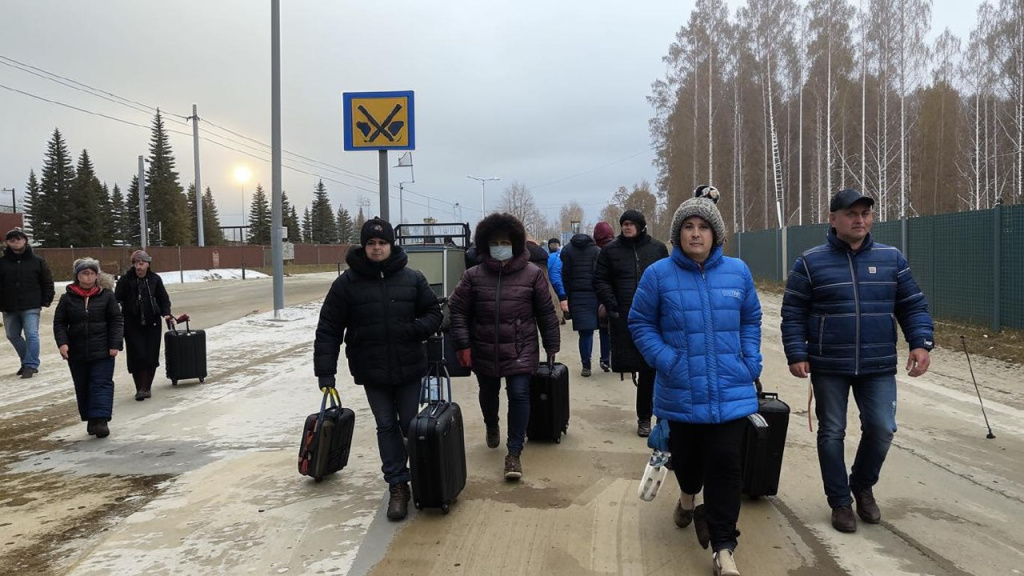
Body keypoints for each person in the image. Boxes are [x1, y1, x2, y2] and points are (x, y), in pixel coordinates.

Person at [782, 188, 934, 534]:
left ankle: (862, 486)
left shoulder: (892, 258)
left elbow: (912, 305)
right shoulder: (810, 261)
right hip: (828, 364)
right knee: (832, 431)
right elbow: (793, 312)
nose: (860, 220)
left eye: (865, 213)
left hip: (877, 364)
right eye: (851, 214)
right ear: (833, 219)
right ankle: (839, 502)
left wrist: (921, 342)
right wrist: (796, 352)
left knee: (882, 428)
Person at [629, 197, 762, 576]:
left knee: (725, 465)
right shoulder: (658, 275)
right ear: (678, 234)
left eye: (703, 227)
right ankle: (688, 497)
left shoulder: (737, 272)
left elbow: (751, 318)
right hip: (680, 392)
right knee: (687, 464)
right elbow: (640, 323)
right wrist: (667, 360)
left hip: (730, 391)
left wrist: (750, 360)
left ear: (715, 233)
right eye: (688, 227)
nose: (696, 233)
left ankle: (723, 548)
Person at [314, 218, 443, 521]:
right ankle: (398, 485)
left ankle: (422, 477)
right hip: (371, 370)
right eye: (371, 243)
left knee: (410, 425)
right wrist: (325, 372)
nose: (376, 248)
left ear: (390, 245)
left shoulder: (412, 278)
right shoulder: (347, 284)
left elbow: (435, 314)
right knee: (386, 425)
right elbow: (328, 329)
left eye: (381, 243)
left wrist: (414, 330)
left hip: (410, 367)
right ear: (364, 246)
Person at [448, 213, 560, 481]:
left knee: (520, 395)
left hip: (521, 349)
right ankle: (491, 424)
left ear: (516, 244)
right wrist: (463, 343)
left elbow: (545, 312)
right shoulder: (473, 276)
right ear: (486, 245)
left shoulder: (533, 274)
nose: (500, 246)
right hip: (484, 347)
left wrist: (551, 344)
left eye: (505, 241)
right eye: (495, 241)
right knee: (488, 392)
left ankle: (514, 453)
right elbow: (458, 310)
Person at [593, 209, 668, 437]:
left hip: (656, 317)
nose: (627, 227)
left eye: (631, 223)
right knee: (642, 367)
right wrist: (612, 303)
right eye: (624, 223)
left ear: (641, 225)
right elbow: (600, 279)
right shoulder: (610, 251)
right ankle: (644, 417)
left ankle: (659, 418)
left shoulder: (657, 249)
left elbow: (668, 276)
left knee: (655, 368)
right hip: (625, 315)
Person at [53, 258, 123, 439]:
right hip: (77, 351)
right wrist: (62, 343)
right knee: (83, 385)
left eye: (92, 273)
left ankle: (101, 420)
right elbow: (60, 323)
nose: (89, 276)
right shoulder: (67, 298)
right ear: (77, 276)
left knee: (101, 384)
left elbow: (116, 320)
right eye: (85, 273)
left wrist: (115, 344)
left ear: (97, 276)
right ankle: (91, 419)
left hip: (103, 350)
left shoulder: (106, 296)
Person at [115, 250, 174, 401]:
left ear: (148, 264)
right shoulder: (125, 280)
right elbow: (116, 299)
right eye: (136, 263)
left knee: (150, 356)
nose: (139, 267)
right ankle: (140, 388)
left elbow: (163, 299)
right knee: (137, 355)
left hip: (152, 323)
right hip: (132, 324)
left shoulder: (155, 279)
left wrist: (166, 313)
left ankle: (146, 387)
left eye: (141, 263)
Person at [0, 228, 54, 378]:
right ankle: (26, 361)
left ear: (25, 240)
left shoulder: (38, 261)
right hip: (9, 306)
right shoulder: (2, 263)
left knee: (31, 334)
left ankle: (31, 365)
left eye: (18, 239)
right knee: (12, 335)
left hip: (31, 304)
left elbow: (47, 281)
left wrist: (47, 299)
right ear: (7, 243)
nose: (15, 242)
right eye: (12, 240)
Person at [559, 231, 600, 376]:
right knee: (590, 331)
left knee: (584, 333)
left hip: (576, 294)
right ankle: (604, 359)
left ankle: (586, 364)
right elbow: (599, 274)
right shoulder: (596, 250)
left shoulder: (568, 250)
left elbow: (565, 275)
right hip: (593, 294)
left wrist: (569, 294)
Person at [592, 222, 615, 372]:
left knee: (603, 330)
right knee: (617, 329)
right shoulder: (619, 249)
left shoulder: (596, 252)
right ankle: (615, 358)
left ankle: (605, 359)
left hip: (601, 296)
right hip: (618, 296)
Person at [546, 237, 568, 324]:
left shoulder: (546, 257)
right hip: (558, 287)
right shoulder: (560, 258)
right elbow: (557, 279)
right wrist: (563, 295)